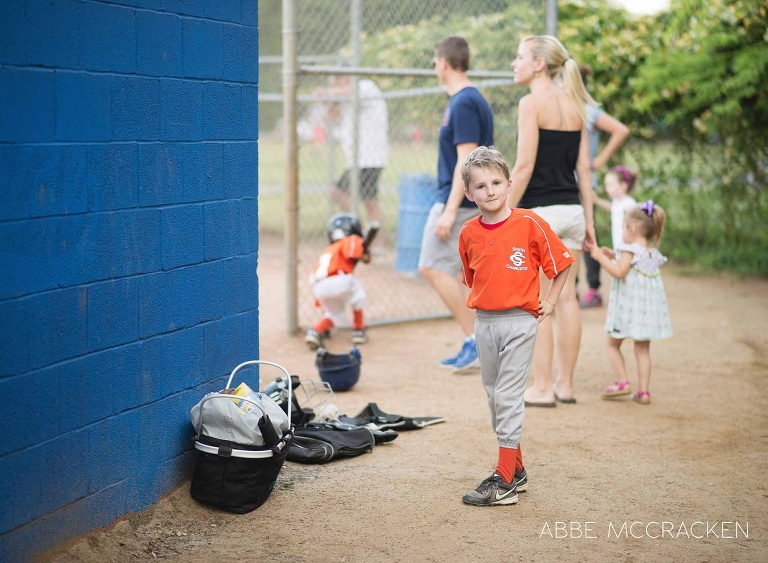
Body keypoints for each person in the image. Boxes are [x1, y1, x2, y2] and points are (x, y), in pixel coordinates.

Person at [458, 146, 574, 506]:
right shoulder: (467, 233)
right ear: (469, 194)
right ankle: (517, 469)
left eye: (496, 182)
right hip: (485, 323)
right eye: (480, 186)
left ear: (509, 185)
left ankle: (504, 480)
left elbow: (563, 262)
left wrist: (551, 301)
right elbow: (471, 278)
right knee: (495, 398)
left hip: (520, 322)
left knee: (508, 396)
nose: (489, 191)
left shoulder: (529, 223)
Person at [506, 35, 596, 406]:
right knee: (568, 300)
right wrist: (589, 222)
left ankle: (542, 388)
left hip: (541, 216)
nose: (515, 63)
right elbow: (584, 170)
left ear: (539, 63)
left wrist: (502, 212)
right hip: (572, 213)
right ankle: (565, 385)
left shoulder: (531, 103)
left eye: (520, 56)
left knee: (539, 300)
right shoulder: (576, 104)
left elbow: (524, 166)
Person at [419, 36, 494, 373]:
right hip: (460, 199)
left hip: (457, 200)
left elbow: (467, 158)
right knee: (454, 272)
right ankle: (476, 340)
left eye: (436, 62)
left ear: (444, 63)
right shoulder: (465, 100)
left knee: (431, 265)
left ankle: (476, 340)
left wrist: (449, 211)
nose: (436, 68)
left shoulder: (464, 102)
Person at [588, 200, 672, 405]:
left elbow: (619, 272)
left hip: (627, 312)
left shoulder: (629, 250)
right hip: (645, 315)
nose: (623, 232)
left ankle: (623, 381)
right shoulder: (652, 253)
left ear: (632, 228)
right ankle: (644, 392)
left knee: (612, 345)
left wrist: (599, 256)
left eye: (623, 227)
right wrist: (613, 255)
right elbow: (630, 267)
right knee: (642, 351)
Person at [578, 65, 630, 309]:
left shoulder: (588, 112)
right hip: (564, 184)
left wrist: (600, 160)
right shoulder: (558, 108)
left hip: (585, 185)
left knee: (588, 237)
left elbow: (621, 129)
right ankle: (571, 289)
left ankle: (593, 289)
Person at [326, 74, 389, 230]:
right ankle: (372, 239)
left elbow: (349, 91)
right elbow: (331, 116)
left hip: (368, 158)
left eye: (341, 78)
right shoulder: (346, 96)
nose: (339, 83)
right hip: (360, 159)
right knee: (370, 201)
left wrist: (327, 92)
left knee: (338, 192)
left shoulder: (366, 87)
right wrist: (334, 100)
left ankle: (359, 229)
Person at [305, 213, 371, 350]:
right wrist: (365, 255)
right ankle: (359, 329)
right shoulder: (349, 240)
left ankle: (316, 331)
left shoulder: (328, 249)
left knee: (335, 315)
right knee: (358, 293)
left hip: (318, 286)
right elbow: (354, 252)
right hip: (339, 279)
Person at [594, 165, 638, 252]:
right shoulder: (616, 202)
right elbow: (612, 208)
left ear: (623, 186)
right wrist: (597, 200)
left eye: (610, 185)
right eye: (606, 185)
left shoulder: (630, 204)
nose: (607, 189)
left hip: (628, 248)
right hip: (617, 246)